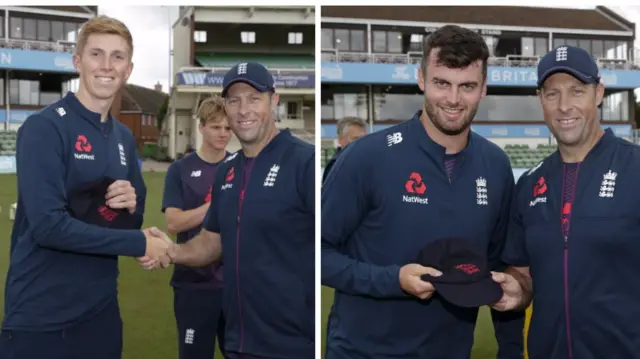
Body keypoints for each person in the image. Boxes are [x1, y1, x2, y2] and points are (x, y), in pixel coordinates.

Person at [321, 24, 524, 358]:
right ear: (421, 79)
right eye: (441, 83)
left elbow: (500, 271)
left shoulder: (496, 166)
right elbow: (318, 253)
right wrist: (392, 279)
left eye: (467, 86)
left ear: (484, 88)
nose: (454, 99)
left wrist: (511, 350)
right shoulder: (367, 157)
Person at [0, 16, 173, 359]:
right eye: (96, 54)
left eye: (117, 56)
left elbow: (130, 219)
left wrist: (130, 207)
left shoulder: (124, 137)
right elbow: (49, 227)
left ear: (129, 68)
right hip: (41, 316)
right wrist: (139, 242)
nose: (106, 66)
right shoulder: (43, 129)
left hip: (101, 313)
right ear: (78, 62)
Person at [151, 62, 315, 359]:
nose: (243, 110)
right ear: (225, 106)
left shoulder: (304, 163)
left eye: (254, 98)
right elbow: (211, 242)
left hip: (292, 343)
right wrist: (171, 251)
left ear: (274, 100)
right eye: (234, 100)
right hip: (239, 340)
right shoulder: (227, 170)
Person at [493, 45, 640, 359]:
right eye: (552, 94)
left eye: (576, 91)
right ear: (540, 100)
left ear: (598, 93)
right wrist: (514, 289)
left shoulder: (635, 168)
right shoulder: (529, 185)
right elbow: (523, 273)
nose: (564, 106)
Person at [162, 95, 231, 359]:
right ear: (201, 127)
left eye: (227, 128)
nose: (223, 133)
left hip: (236, 284)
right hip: (194, 284)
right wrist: (214, 205)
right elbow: (173, 223)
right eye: (216, 127)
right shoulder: (180, 169)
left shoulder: (242, 165)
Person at [322, 116, 366, 183]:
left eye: (363, 139)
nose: (361, 143)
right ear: (340, 139)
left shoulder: (366, 161)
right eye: (355, 139)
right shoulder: (336, 166)